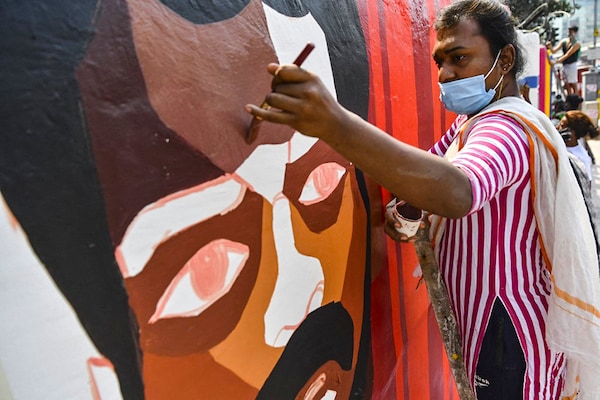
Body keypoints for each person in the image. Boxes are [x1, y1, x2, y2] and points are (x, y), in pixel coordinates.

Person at [246, 0, 600, 398]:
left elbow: (458, 190)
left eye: (460, 58)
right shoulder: (469, 126)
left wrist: (335, 123)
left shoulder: (505, 129)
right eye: (440, 62)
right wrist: (411, 205)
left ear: (505, 60)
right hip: (489, 330)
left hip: (507, 334)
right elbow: (416, 192)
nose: (447, 75)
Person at [557, 110, 600, 181]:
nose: (556, 127)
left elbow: (585, 188)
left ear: (572, 133)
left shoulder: (581, 159)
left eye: (561, 125)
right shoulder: (560, 145)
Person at [546, 25, 581, 96]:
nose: (570, 33)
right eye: (569, 31)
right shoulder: (564, 41)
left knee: (573, 84)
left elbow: (568, 54)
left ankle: (576, 101)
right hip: (564, 65)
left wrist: (556, 62)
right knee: (567, 84)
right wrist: (550, 47)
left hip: (572, 65)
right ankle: (569, 99)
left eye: (571, 31)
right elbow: (554, 51)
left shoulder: (576, 44)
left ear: (575, 32)